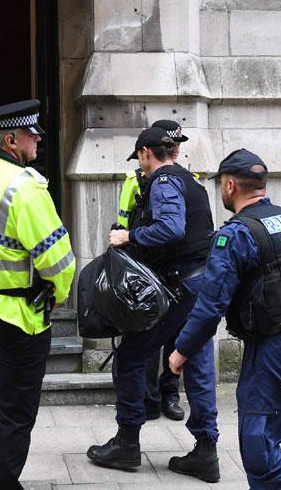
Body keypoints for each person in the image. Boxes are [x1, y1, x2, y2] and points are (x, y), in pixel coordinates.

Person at [170, 149, 281, 489]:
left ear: (229, 185)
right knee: (265, 441)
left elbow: (210, 304)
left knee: (259, 449)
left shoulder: (236, 234)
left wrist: (181, 350)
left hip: (274, 348)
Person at [0, 99, 76, 490]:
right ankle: (1, 483)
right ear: (10, 140)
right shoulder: (25, 187)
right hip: (17, 315)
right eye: (30, 134)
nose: (37, 139)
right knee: (15, 408)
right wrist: (58, 293)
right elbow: (58, 260)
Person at [87, 126, 221, 483]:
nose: (141, 166)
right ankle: (207, 450)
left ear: (147, 152)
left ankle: (127, 443)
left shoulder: (163, 182)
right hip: (199, 286)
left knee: (131, 358)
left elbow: (171, 228)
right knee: (197, 363)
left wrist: (129, 236)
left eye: (140, 159)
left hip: (177, 289)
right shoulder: (190, 181)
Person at [116, 120, 190, 422]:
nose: (176, 149)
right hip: (148, 268)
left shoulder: (180, 178)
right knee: (145, 337)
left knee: (176, 338)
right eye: (172, 144)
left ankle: (169, 394)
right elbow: (124, 221)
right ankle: (147, 397)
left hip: (176, 272)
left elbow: (179, 227)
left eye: (178, 143)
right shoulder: (138, 179)